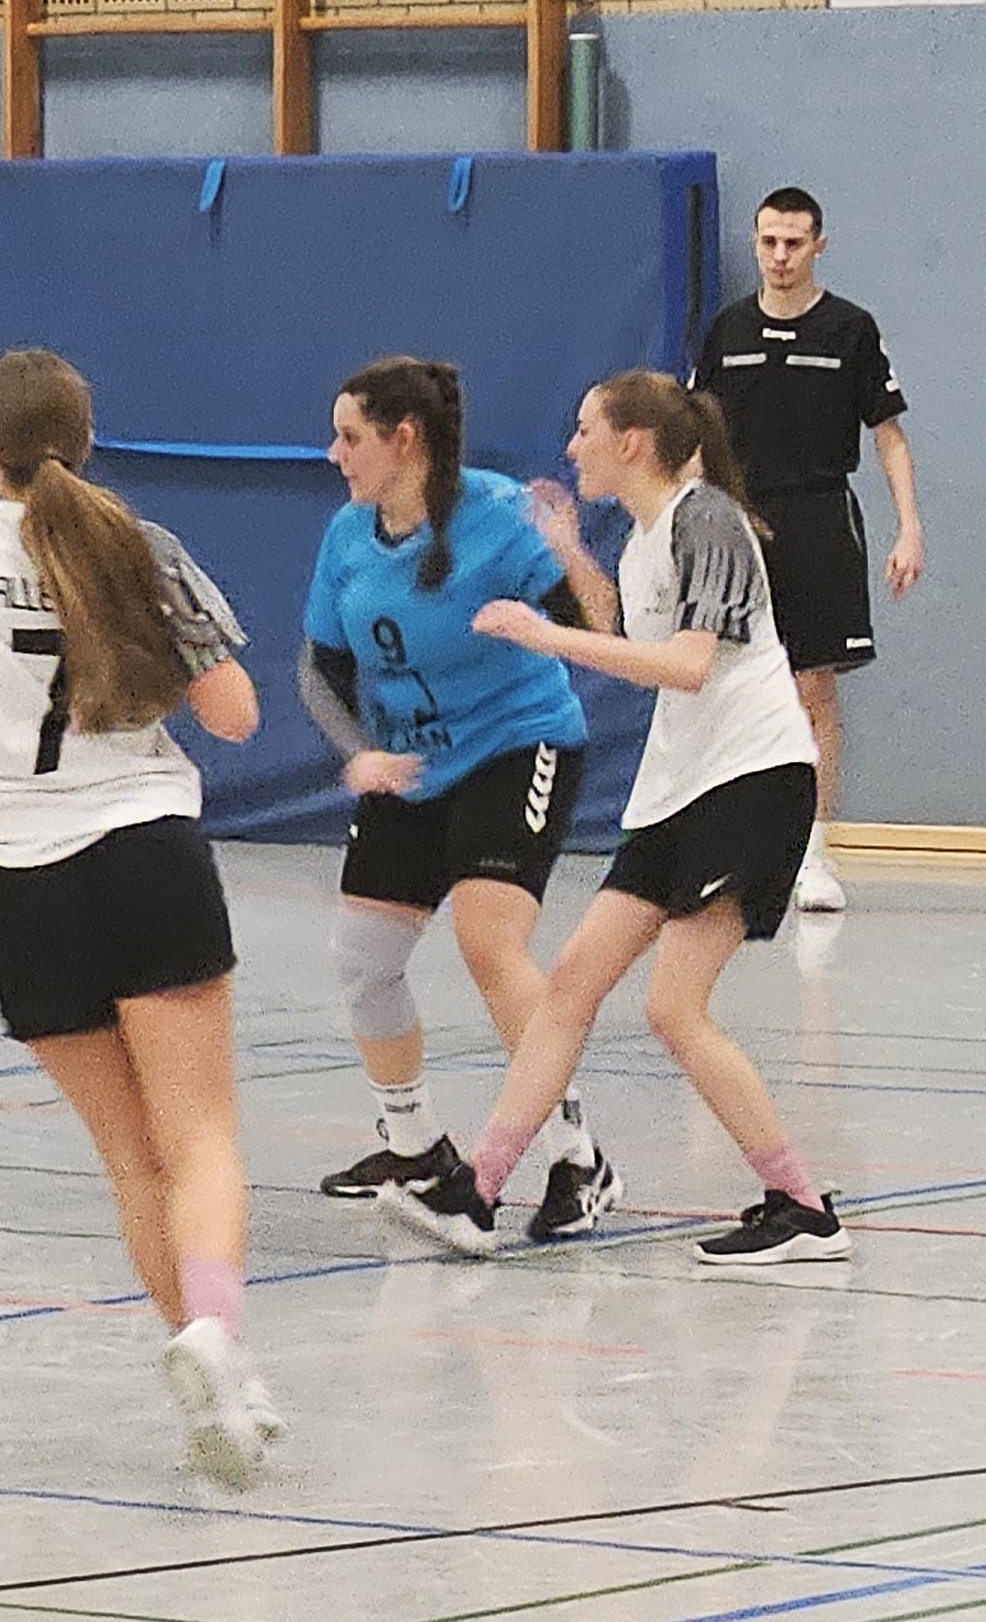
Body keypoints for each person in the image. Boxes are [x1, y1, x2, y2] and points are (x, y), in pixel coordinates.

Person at [0, 347, 281, 1489]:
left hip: (18, 882)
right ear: (87, 444)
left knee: (132, 1157)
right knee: (201, 1137)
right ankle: (215, 1336)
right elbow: (236, 715)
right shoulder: (140, 547)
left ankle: (215, 1372)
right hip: (143, 850)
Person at [386, 372, 847, 1265]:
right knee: (570, 984)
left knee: (675, 1008)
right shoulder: (644, 538)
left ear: (632, 440)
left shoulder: (706, 517)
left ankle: (801, 1207)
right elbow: (627, 630)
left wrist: (546, 636)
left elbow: (685, 665)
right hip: (679, 791)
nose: (572, 446)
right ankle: (479, 1192)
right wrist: (566, 548)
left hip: (752, 781)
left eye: (585, 427)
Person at [299, 359, 620, 1241]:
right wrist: (359, 752)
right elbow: (320, 668)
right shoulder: (347, 535)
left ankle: (576, 1157)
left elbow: (598, 629)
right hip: (409, 766)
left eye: (350, 437)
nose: (333, 454)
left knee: (489, 942)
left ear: (405, 440)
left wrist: (568, 550)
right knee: (365, 961)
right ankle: (414, 1146)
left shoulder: (500, 514)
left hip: (517, 745)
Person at [691, 188, 923, 914]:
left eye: (794, 242)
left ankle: (814, 857)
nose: (781, 256)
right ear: (756, 243)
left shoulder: (850, 328)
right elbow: (695, 437)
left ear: (818, 245)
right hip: (738, 522)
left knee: (812, 688)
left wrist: (910, 527)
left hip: (819, 519)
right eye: (769, 242)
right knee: (721, 685)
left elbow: (889, 436)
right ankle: (730, 849)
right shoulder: (727, 330)